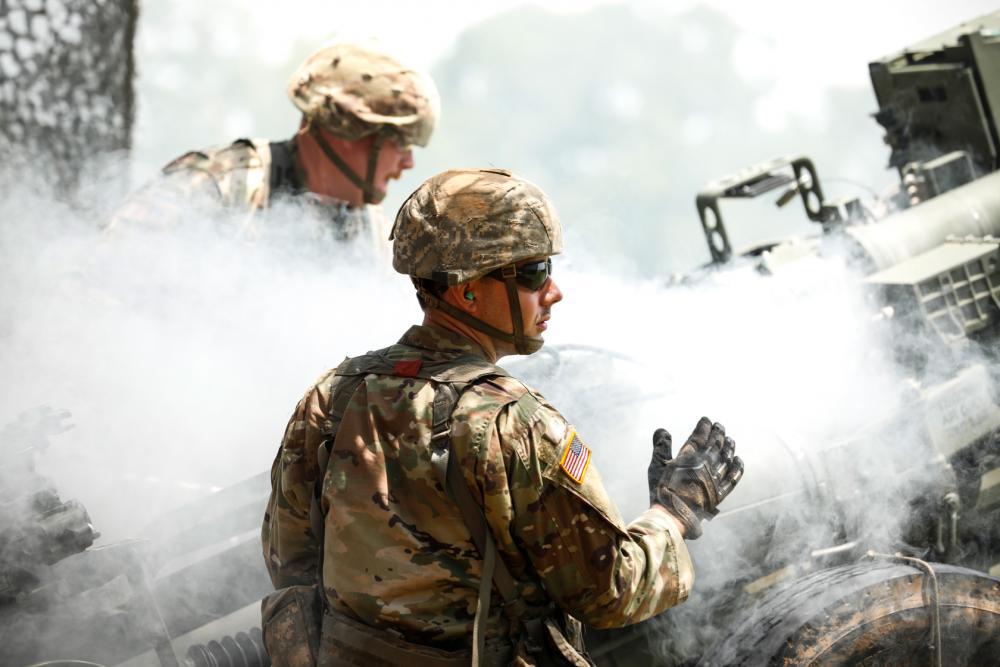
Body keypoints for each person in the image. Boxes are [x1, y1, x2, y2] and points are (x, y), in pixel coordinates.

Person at [261, 168, 744, 666]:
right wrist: (675, 512)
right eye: (533, 272)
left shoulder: (331, 397)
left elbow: (288, 561)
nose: (553, 291)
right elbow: (611, 592)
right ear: (467, 290)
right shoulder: (515, 424)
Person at [105, 41, 438, 247]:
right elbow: (100, 286)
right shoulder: (219, 186)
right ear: (347, 129)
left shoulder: (372, 236)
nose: (407, 162)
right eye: (400, 141)